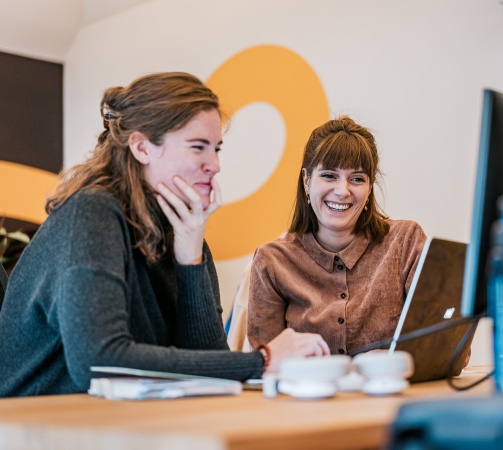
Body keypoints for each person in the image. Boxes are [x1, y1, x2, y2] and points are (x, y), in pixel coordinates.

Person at [0, 72, 329, 397]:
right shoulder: (92, 213)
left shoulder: (184, 230)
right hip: (34, 428)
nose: (214, 164)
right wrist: (262, 360)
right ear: (142, 148)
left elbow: (209, 364)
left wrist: (190, 261)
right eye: (198, 147)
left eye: (216, 149)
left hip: (117, 424)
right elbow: (100, 363)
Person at [247, 116, 427, 356]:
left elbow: (446, 349)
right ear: (307, 180)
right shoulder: (272, 261)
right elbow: (265, 365)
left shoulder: (406, 241)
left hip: (392, 393)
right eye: (329, 175)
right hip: (309, 394)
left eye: (357, 179)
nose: (342, 191)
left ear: (370, 187)